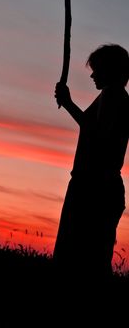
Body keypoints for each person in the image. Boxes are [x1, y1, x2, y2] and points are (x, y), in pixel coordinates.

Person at [53, 44, 129, 285]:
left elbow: (98, 134)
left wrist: (68, 103)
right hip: (101, 186)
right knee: (92, 260)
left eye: (97, 69)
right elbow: (93, 127)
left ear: (110, 70)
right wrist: (67, 104)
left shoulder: (113, 94)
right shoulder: (116, 96)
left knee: (77, 262)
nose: (92, 75)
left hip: (94, 187)